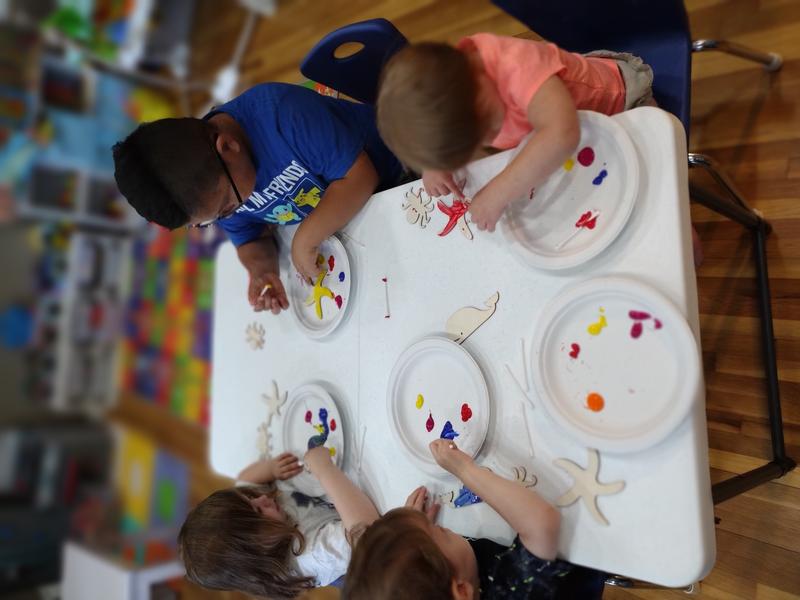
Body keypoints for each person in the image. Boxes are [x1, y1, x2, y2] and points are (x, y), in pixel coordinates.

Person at [113, 83, 403, 313]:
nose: (231, 214)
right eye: (212, 220)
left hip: (401, 170)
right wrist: (262, 270)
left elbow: (361, 175)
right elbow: (250, 240)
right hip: (358, 223)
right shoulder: (214, 185)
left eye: (228, 206)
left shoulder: (283, 116)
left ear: (227, 146)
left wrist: (305, 239)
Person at [376, 34, 654, 233]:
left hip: (622, 101)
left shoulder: (517, 64)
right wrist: (434, 166)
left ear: (474, 71)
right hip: (574, 137)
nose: (491, 136)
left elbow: (562, 133)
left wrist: (497, 193)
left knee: (652, 189)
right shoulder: (460, 85)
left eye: (487, 128)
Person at [342, 439, 605, 599]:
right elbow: (541, 523)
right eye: (440, 533)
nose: (441, 527)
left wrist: (412, 530)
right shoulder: (510, 593)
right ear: (462, 591)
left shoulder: (451, 580)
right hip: (580, 555)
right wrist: (464, 468)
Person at [179, 446, 379, 599]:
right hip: (374, 554)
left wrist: (272, 468)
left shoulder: (263, 514)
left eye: (250, 499)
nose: (262, 499)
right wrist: (324, 470)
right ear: (258, 549)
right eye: (258, 510)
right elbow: (368, 532)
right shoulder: (311, 556)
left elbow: (244, 479)